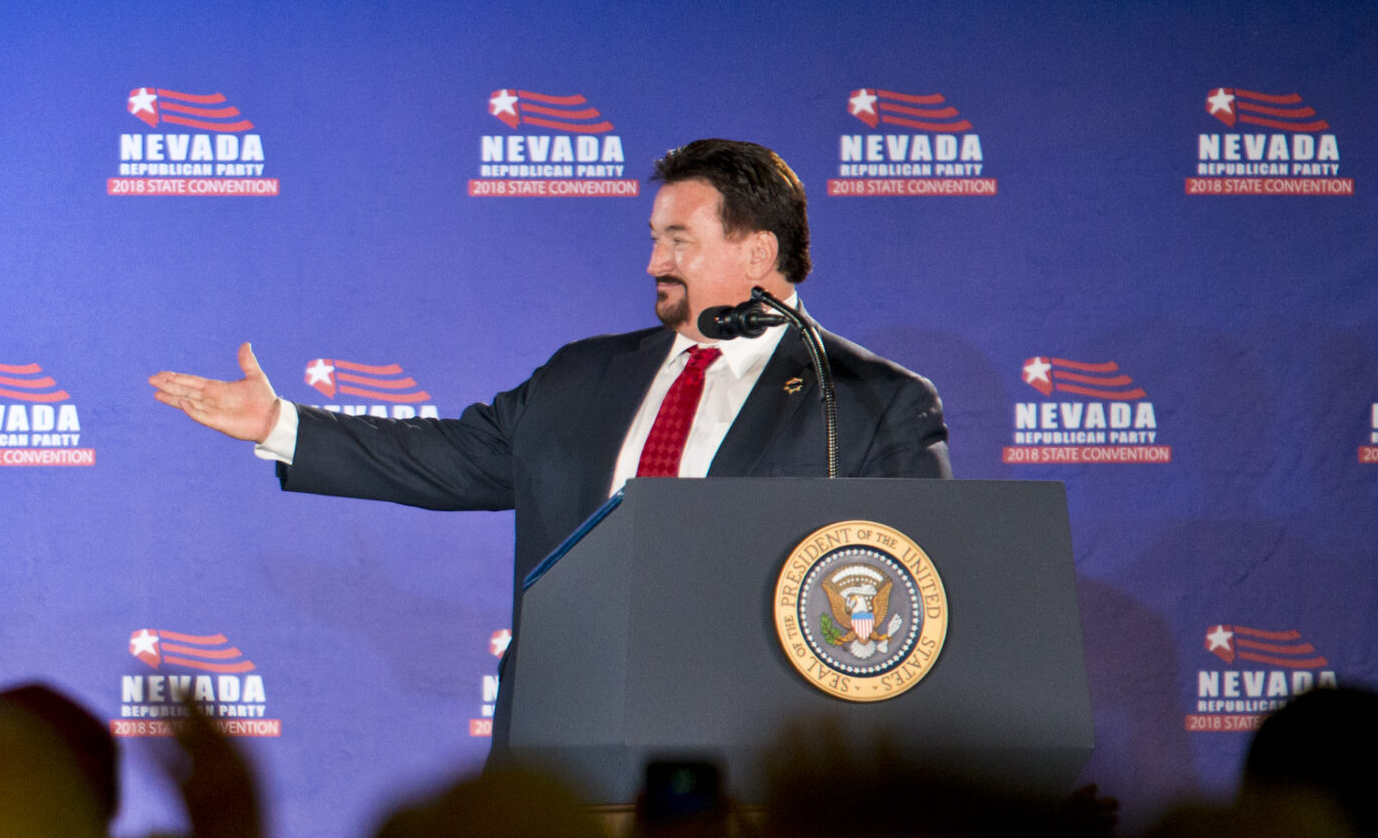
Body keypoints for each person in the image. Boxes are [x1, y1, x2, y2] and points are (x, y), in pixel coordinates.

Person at [149, 140, 948, 757]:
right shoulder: (583, 376)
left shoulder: (871, 402)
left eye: (678, 240)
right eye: (653, 237)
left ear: (758, 253)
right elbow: (456, 455)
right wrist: (282, 425)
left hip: (760, 754)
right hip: (570, 743)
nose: (652, 262)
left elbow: (915, 600)